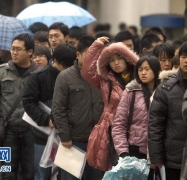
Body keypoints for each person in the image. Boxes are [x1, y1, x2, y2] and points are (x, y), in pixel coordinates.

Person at [0, 33, 37, 180]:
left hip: (31, 131)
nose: (14, 52)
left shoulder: (39, 73)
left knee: (29, 172)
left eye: (18, 49)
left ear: (30, 52)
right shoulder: (1, 71)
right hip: (8, 130)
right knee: (7, 172)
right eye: (12, 48)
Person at [80, 37, 139, 171]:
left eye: (119, 58)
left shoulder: (139, 77)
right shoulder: (105, 80)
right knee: (111, 168)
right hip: (110, 127)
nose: (116, 63)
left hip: (135, 127)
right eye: (111, 60)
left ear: (127, 58)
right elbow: (87, 72)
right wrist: (96, 47)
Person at [52, 36, 104, 179]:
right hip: (73, 142)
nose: (93, 58)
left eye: (97, 55)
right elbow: (58, 109)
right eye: (89, 54)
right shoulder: (65, 77)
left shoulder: (102, 77)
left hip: (97, 141)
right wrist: (65, 136)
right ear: (78, 55)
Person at [23, 43, 76, 180]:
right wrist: (46, 119)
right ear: (55, 61)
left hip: (69, 136)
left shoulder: (76, 75)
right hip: (43, 135)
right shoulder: (38, 76)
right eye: (65, 66)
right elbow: (28, 102)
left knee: (68, 175)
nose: (68, 70)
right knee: (42, 174)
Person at [148, 41, 187, 180]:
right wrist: (155, 156)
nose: (186, 60)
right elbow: (155, 124)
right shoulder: (166, 88)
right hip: (174, 158)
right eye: (183, 56)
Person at [112, 55, 161, 160]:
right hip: (135, 149)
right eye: (140, 69)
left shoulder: (164, 90)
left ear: (156, 70)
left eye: (147, 69)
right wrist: (123, 153)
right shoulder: (131, 91)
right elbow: (119, 124)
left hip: (159, 149)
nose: (143, 72)